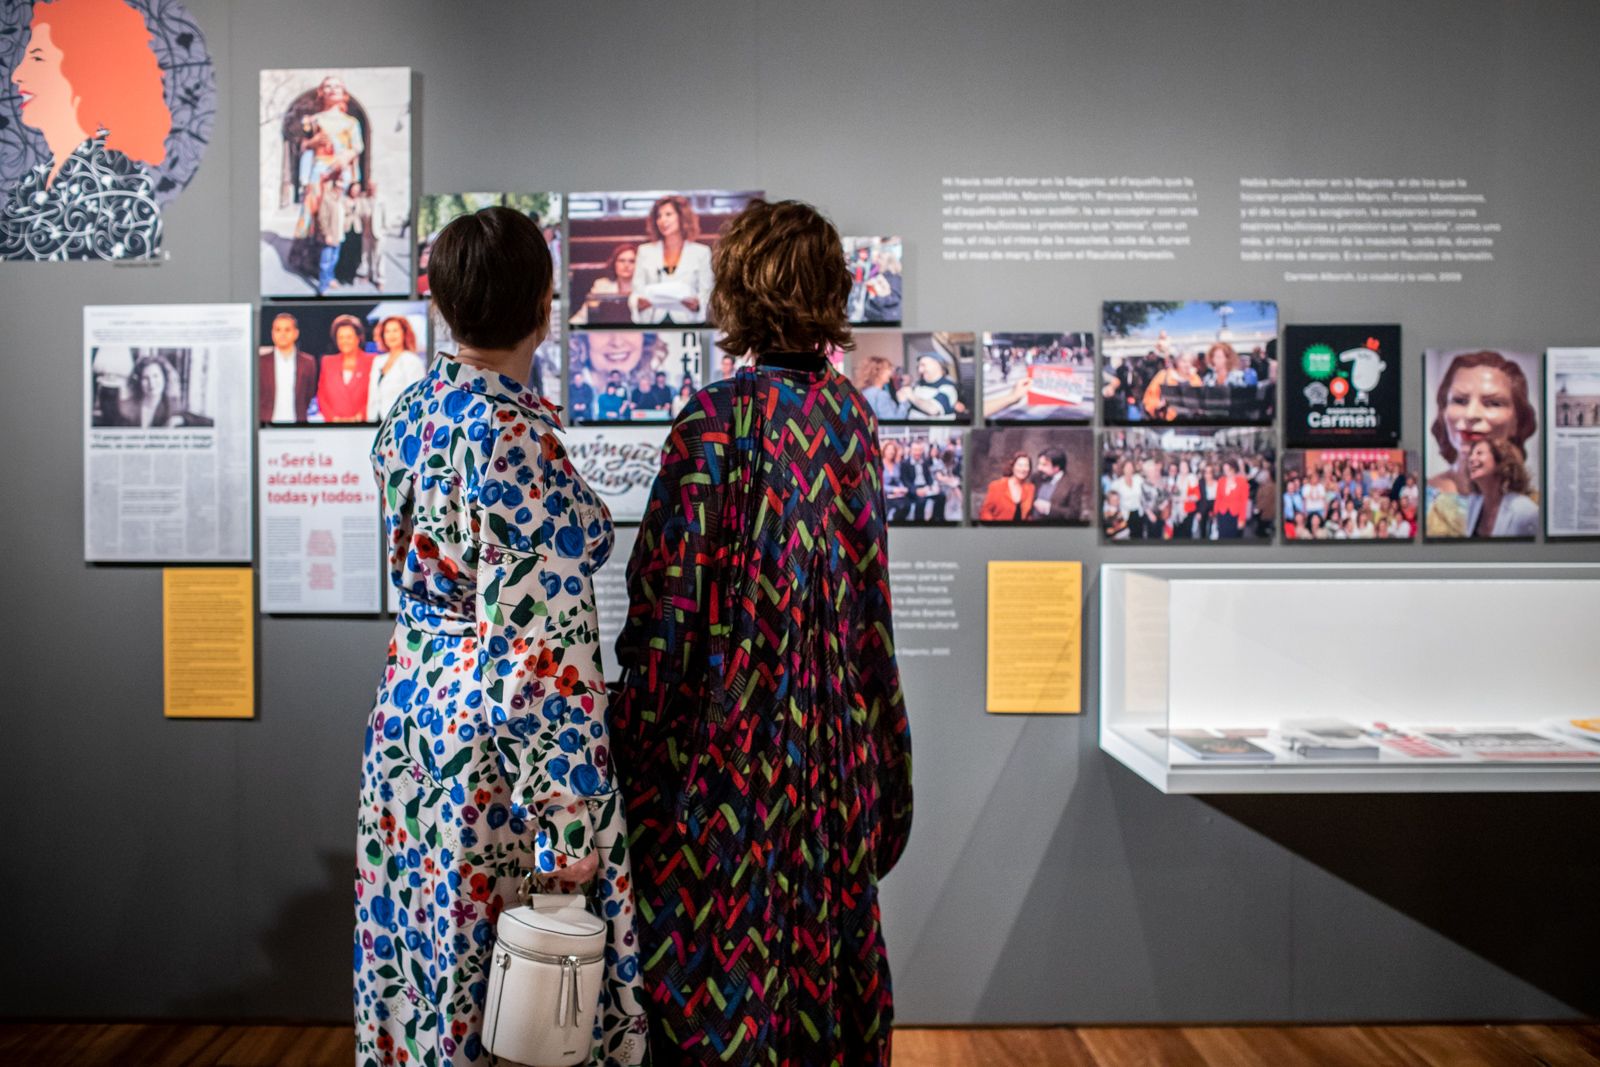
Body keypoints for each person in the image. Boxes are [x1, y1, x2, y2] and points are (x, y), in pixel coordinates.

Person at [611, 199, 911, 1065]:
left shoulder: (713, 421)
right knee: (823, 1005)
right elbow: (871, 613)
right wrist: (885, 765)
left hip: (726, 777)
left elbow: (666, 618)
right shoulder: (851, 419)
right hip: (829, 766)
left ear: (737, 287)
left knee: (719, 1000)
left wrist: (629, 753)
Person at [357, 206, 648, 1067]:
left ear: (444, 305)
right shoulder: (514, 438)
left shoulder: (413, 412)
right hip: (495, 748)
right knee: (521, 1000)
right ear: (545, 305)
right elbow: (536, 652)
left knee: (420, 959)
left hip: (412, 720)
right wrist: (564, 824)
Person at [1, 0, 171, 260]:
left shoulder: (124, 187)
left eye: (37, 58)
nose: (17, 75)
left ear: (79, 72)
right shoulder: (32, 181)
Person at [1426, 350, 1539, 538]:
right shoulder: (1422, 496)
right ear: (1443, 412)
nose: (1471, 415)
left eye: (1493, 403)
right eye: (1460, 401)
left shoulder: (1532, 507)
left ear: (1517, 421)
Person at [629, 194, 713, 325]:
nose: (663, 220)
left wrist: (697, 305)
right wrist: (639, 303)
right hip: (653, 321)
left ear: (682, 217)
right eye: (659, 216)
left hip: (687, 324)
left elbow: (706, 293)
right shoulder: (645, 251)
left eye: (668, 214)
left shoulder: (701, 252)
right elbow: (636, 292)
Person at [1465, 438, 1540, 538]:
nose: (1471, 459)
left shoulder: (1525, 510)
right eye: (1471, 454)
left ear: (1500, 460)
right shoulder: (1472, 504)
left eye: (1479, 453)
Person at [259, 312, 318, 423]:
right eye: (278, 330)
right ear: (272, 333)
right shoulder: (261, 362)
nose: (282, 334)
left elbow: (309, 394)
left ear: (296, 333)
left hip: (297, 424)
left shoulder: (308, 362)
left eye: (287, 330)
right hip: (267, 425)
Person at [366, 315, 425, 423]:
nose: (391, 335)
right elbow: (372, 396)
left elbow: (417, 397)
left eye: (395, 330)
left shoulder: (412, 360)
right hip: (376, 422)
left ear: (404, 333)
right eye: (387, 331)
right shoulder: (378, 361)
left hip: (400, 423)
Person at [316, 314, 374, 422]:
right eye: (340, 337)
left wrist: (358, 417)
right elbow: (322, 396)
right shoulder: (327, 361)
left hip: (362, 425)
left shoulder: (372, 361)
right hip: (333, 425)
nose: (344, 341)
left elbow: (375, 395)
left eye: (349, 337)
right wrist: (333, 418)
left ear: (358, 338)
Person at [571, 243, 638, 325]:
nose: (626, 265)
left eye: (632, 261)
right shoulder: (601, 285)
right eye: (621, 260)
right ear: (614, 264)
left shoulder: (645, 289)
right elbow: (583, 316)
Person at [979, 452, 1035, 522]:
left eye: (1026, 465)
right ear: (1012, 466)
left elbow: (1029, 515)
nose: (1023, 469)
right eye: (1020, 465)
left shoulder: (1031, 488)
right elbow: (985, 512)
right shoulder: (996, 486)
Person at [903, 350, 961, 419]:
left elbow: (933, 409)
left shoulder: (948, 388)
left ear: (937, 365)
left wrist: (910, 395)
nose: (920, 370)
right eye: (919, 366)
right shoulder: (919, 384)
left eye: (923, 365)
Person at [1031, 448, 1081, 523]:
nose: (1039, 468)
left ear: (1057, 468)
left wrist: (1048, 509)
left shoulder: (1073, 484)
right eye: (1039, 463)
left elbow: (1073, 514)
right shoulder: (1036, 477)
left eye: (1044, 465)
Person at [854, 353, 908, 421]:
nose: (891, 372)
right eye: (888, 369)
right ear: (877, 372)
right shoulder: (881, 395)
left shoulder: (863, 393)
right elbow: (893, 423)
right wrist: (903, 403)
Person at [881, 437, 911, 521]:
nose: (892, 452)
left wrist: (901, 489)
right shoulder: (879, 465)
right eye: (889, 449)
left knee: (906, 505)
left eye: (893, 450)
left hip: (897, 494)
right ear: (884, 451)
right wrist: (893, 490)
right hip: (885, 494)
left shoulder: (896, 465)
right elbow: (879, 484)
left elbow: (899, 481)